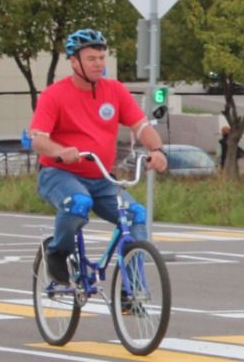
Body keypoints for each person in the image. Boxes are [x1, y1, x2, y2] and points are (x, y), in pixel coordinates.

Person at [31, 28, 168, 283]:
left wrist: (157, 150)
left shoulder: (114, 91)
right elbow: (38, 139)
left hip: (102, 178)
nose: (98, 64)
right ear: (74, 62)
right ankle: (58, 252)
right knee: (78, 202)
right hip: (59, 174)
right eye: (92, 59)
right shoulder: (54, 95)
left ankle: (133, 289)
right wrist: (60, 151)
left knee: (136, 214)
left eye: (102, 58)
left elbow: (141, 126)